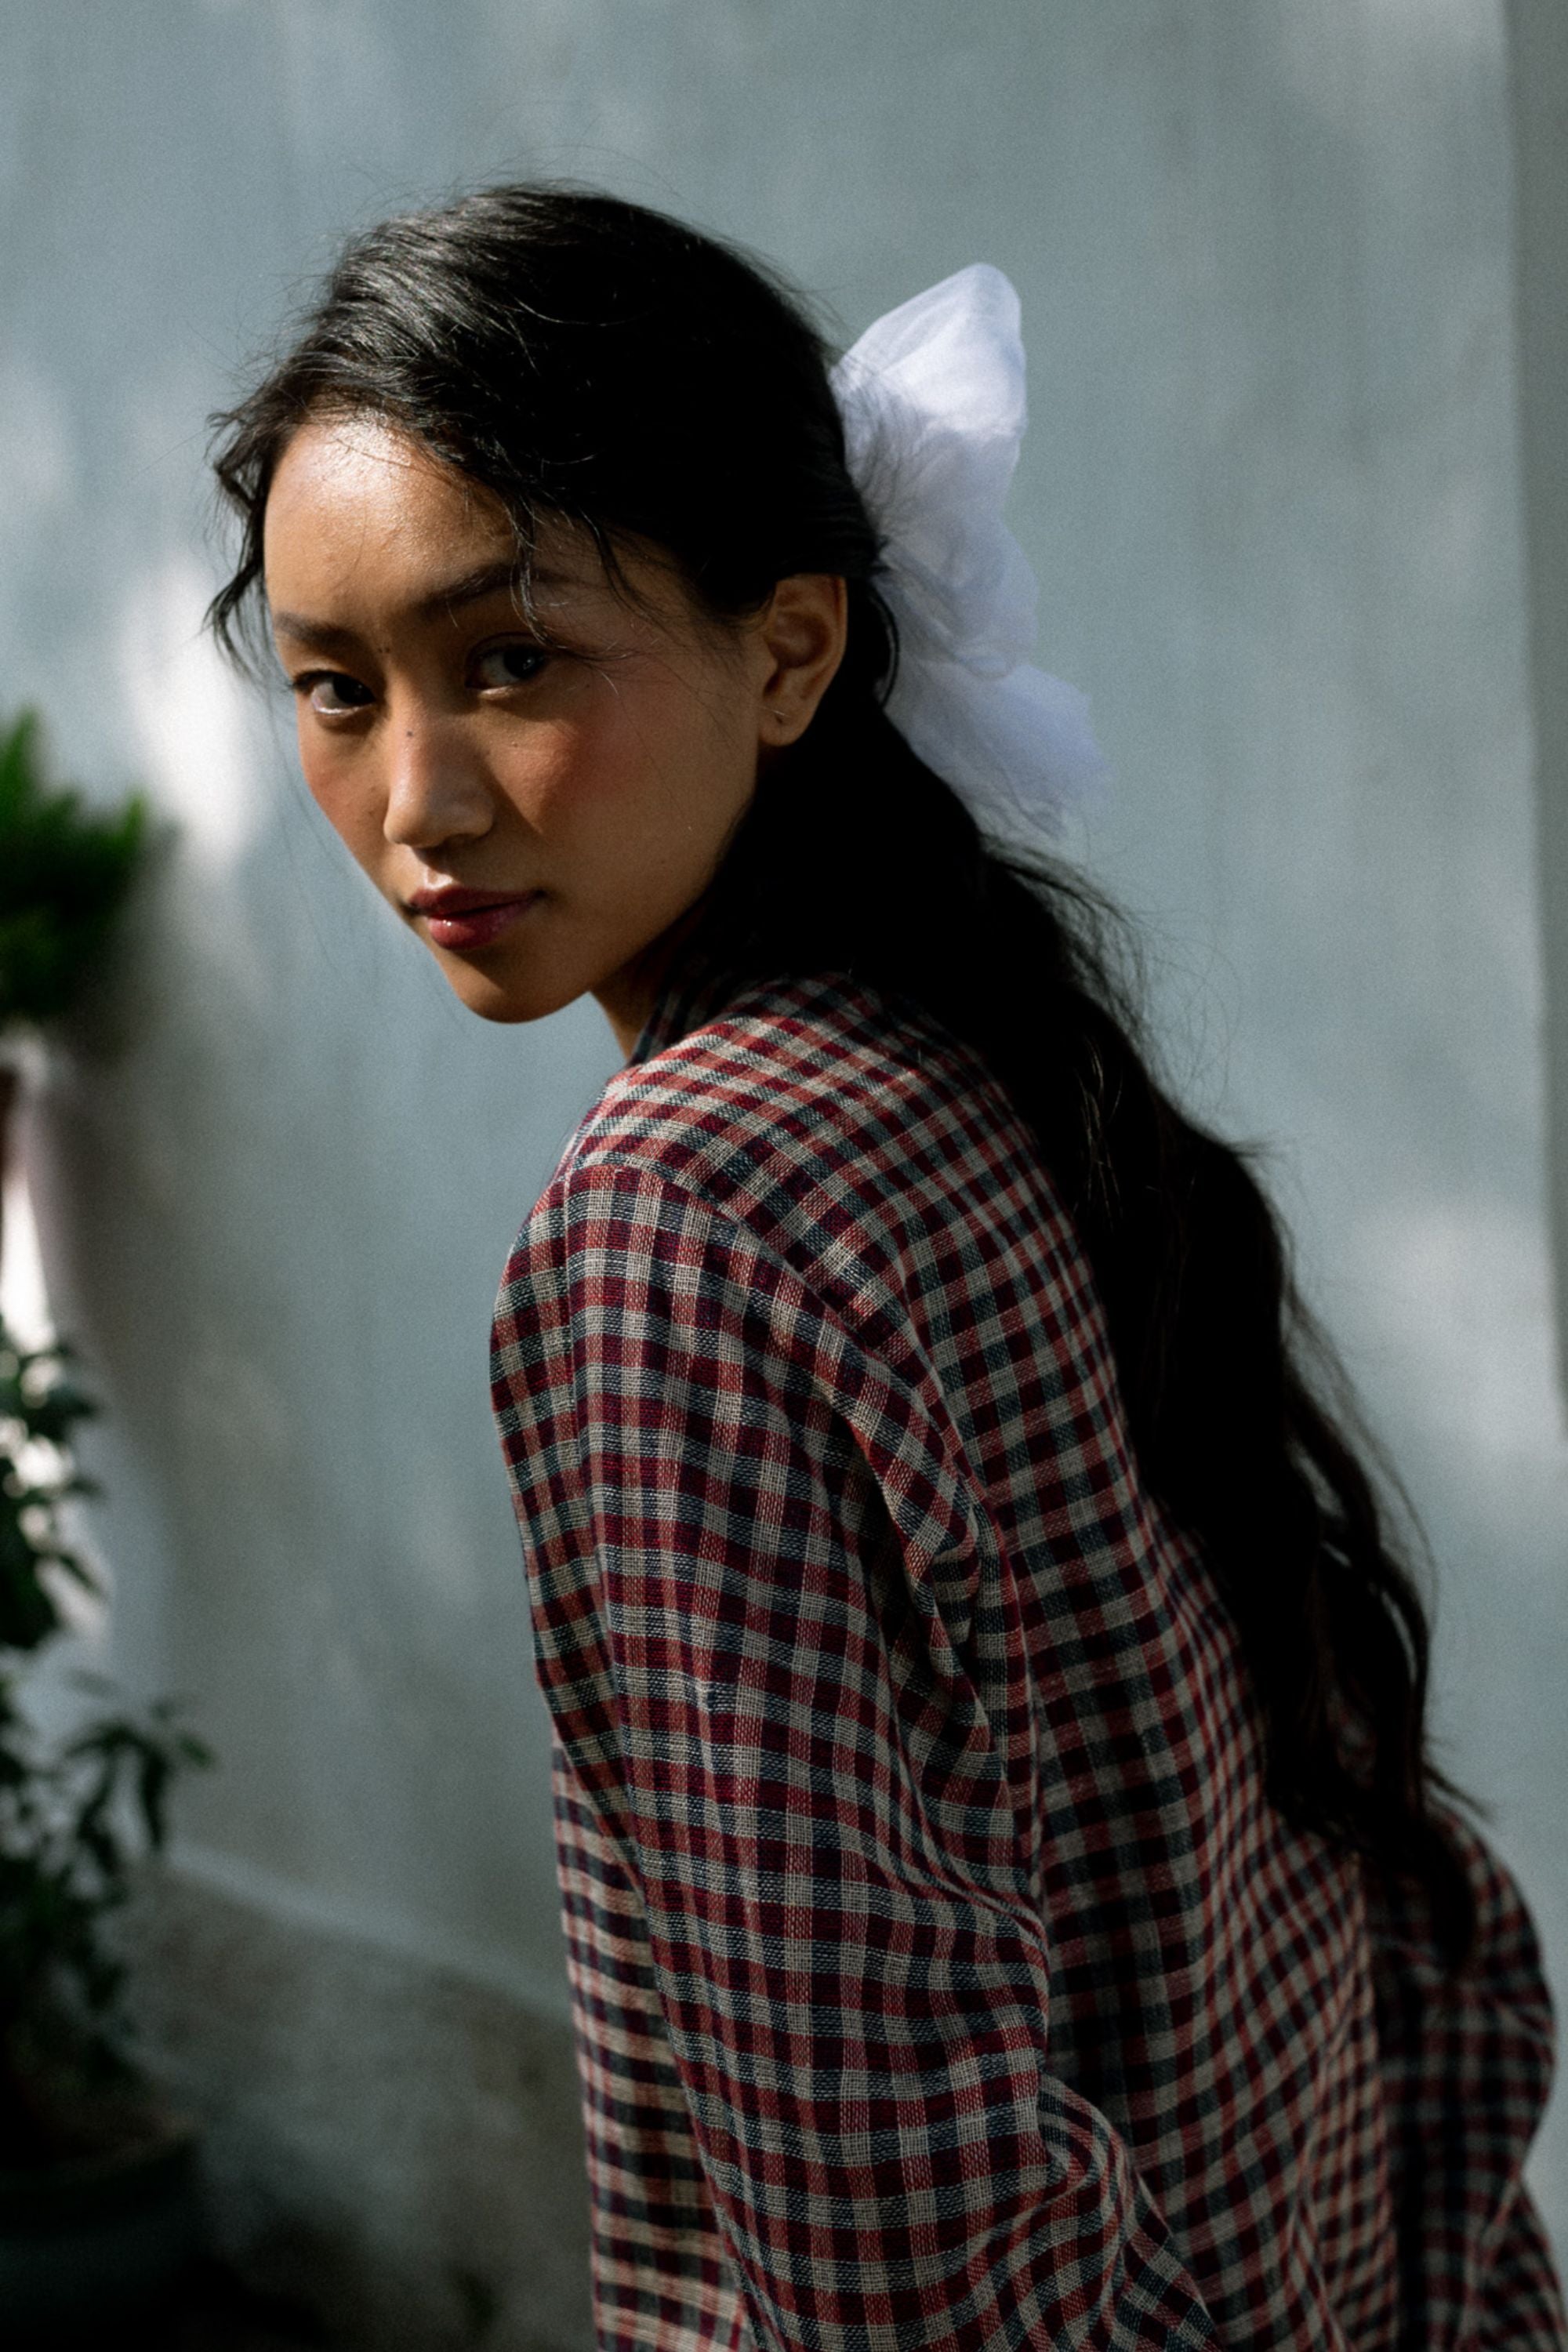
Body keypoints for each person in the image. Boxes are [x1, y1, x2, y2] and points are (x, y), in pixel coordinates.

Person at [209, 185, 1564, 2351]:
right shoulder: (970, 1057)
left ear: (793, 645)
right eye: (334, 687)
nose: (417, 798)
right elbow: (1404, 1937)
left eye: (515, 660)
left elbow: (894, 2236)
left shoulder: (683, 1214)